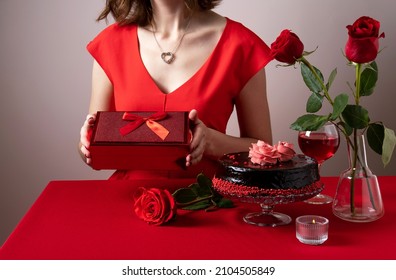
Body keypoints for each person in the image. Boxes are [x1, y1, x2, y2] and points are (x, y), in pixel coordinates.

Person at [79, 0, 273, 180]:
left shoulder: (241, 44)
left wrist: (210, 142)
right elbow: (92, 153)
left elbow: (264, 151)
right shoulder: (110, 42)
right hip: (128, 201)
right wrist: (87, 145)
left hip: (209, 202)